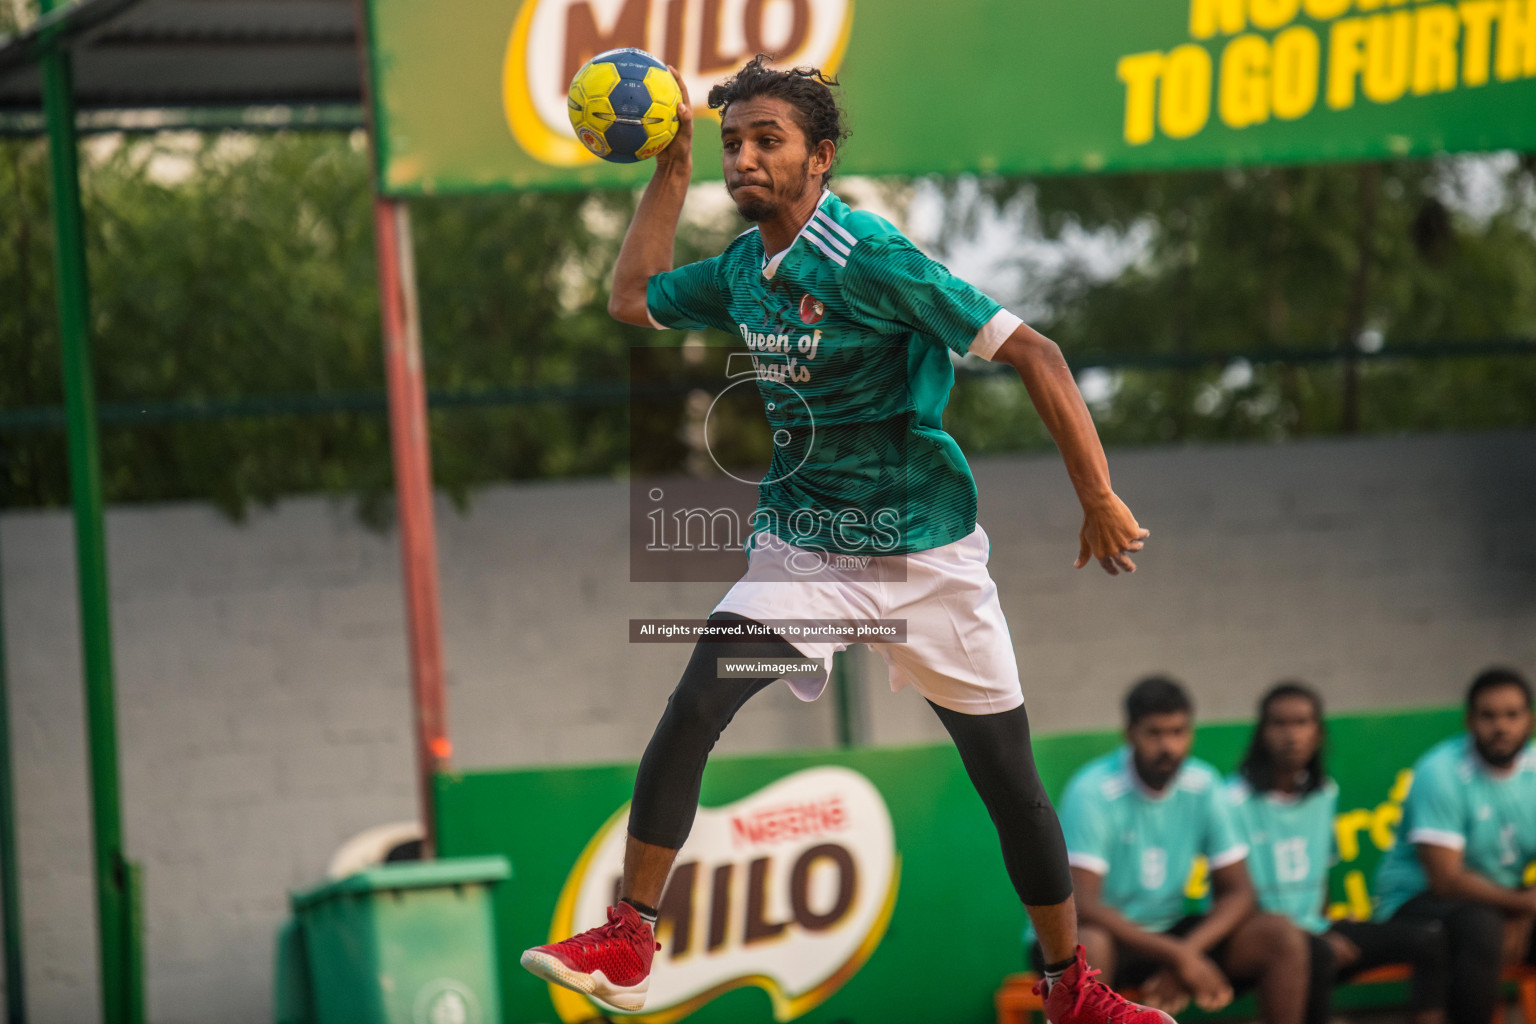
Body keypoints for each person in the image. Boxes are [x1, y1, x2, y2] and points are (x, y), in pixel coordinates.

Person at [519, 55, 1163, 1024]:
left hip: (928, 557)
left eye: (765, 140)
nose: (743, 157)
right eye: (733, 141)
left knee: (1012, 787)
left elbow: (1036, 351)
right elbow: (631, 298)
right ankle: (631, 935)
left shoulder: (873, 255)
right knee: (699, 697)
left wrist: (1098, 494)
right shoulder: (744, 267)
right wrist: (668, 172)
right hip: (806, 548)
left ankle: (1073, 988)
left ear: (820, 157)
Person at [1053, 676, 1312, 1024]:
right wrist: (1179, 956)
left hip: (1170, 932)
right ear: (1130, 734)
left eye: (1178, 732)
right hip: (1108, 938)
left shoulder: (1203, 784)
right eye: (1155, 733)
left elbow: (1239, 893)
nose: (1168, 747)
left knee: (1280, 935)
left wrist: (1187, 953)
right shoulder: (1093, 792)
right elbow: (1084, 908)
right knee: (1090, 944)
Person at [1226, 682, 1447, 1024]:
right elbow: (1233, 898)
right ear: (1261, 733)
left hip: (1317, 928)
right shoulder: (1232, 800)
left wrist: (1326, 924)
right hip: (1268, 938)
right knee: (1317, 954)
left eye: (1302, 723)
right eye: (1279, 724)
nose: (1291, 735)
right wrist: (1315, 935)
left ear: (1318, 732)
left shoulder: (1324, 793)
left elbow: (1320, 879)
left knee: (1429, 939)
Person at [1373, 667, 1536, 1024]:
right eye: (1488, 716)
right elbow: (1446, 881)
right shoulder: (1440, 771)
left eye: (1512, 715)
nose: (1501, 727)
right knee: (1481, 926)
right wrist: (1522, 904)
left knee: (1487, 921)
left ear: (1530, 720)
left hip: (1504, 899)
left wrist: (1524, 909)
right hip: (1416, 900)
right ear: (1469, 721)